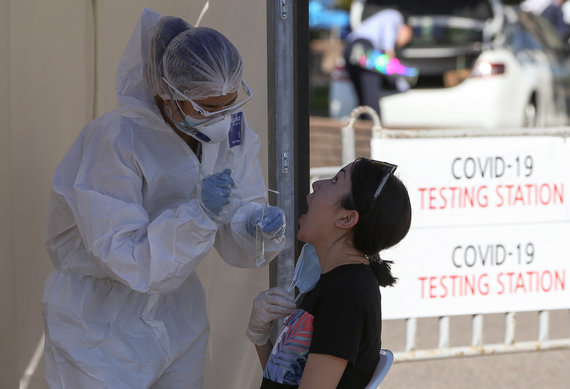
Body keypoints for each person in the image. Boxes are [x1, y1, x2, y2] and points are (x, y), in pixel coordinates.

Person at [42, 8, 286, 389]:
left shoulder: (230, 128)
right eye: (207, 107)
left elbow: (238, 206)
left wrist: (252, 223)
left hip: (176, 313)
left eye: (230, 103)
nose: (223, 118)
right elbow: (127, 257)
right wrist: (199, 214)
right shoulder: (116, 140)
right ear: (166, 92)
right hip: (98, 322)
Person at [247, 157, 412, 389]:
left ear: (346, 218)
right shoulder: (334, 282)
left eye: (335, 180)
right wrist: (260, 338)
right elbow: (284, 381)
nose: (317, 185)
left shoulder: (346, 294)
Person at [343, 8, 413, 117]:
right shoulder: (396, 16)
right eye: (408, 37)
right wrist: (389, 50)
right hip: (363, 48)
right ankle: (375, 130)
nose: (404, 42)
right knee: (371, 98)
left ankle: (364, 130)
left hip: (350, 50)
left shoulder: (378, 22)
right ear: (407, 28)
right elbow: (388, 29)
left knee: (363, 98)